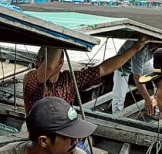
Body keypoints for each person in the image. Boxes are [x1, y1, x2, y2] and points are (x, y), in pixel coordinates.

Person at [23, 35, 154, 115]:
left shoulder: (70, 79)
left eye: (42, 59)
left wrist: (136, 47)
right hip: (40, 133)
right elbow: (50, 67)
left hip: (63, 130)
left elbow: (104, 68)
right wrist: (61, 35)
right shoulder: (31, 78)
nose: (37, 64)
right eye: (38, 60)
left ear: (61, 62)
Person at [112, 39, 162, 115]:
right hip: (123, 67)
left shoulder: (157, 49)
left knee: (160, 74)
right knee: (119, 97)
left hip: (141, 64)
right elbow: (137, 78)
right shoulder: (141, 51)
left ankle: (157, 108)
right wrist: (147, 99)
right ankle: (116, 115)